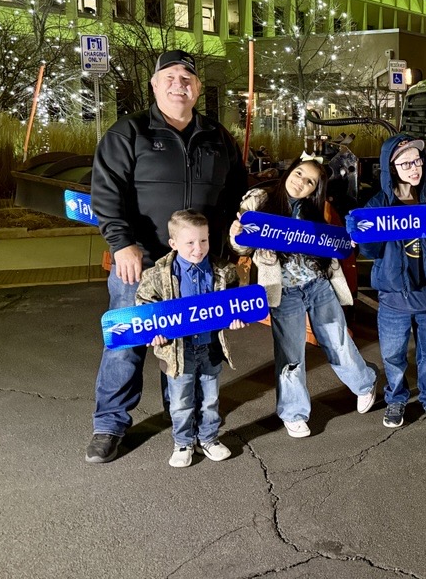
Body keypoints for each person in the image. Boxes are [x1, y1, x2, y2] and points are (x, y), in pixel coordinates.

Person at [85, 49, 247, 464]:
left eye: (188, 78)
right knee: (127, 345)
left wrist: (230, 240)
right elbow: (105, 193)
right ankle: (109, 424)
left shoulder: (217, 136)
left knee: (190, 344)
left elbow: (235, 194)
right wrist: (121, 243)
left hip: (196, 262)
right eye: (170, 77)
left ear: (197, 89)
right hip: (141, 262)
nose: (180, 84)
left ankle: (186, 426)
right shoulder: (129, 132)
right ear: (155, 85)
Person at [229, 154, 377, 438]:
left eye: (310, 181)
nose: (301, 183)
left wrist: (350, 238)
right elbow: (241, 247)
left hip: (318, 283)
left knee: (337, 340)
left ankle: (364, 382)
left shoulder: (318, 208)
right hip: (284, 291)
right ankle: (293, 412)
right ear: (289, 171)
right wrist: (237, 235)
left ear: (315, 189)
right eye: (299, 174)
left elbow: (340, 241)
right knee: (290, 353)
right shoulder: (259, 200)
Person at [355, 135, 426, 430]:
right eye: (406, 162)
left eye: (418, 161)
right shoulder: (377, 206)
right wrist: (362, 235)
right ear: (392, 167)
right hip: (393, 299)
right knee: (393, 354)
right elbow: (371, 251)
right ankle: (396, 397)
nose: (415, 168)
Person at [140, 210, 246, 467]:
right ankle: (183, 442)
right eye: (190, 243)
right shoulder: (157, 274)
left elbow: (235, 301)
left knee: (210, 399)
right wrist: (152, 333)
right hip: (178, 351)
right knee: (181, 402)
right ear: (173, 244)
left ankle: (208, 439)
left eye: (203, 241)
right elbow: (144, 306)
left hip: (209, 347)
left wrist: (236, 317)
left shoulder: (223, 271)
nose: (198, 249)